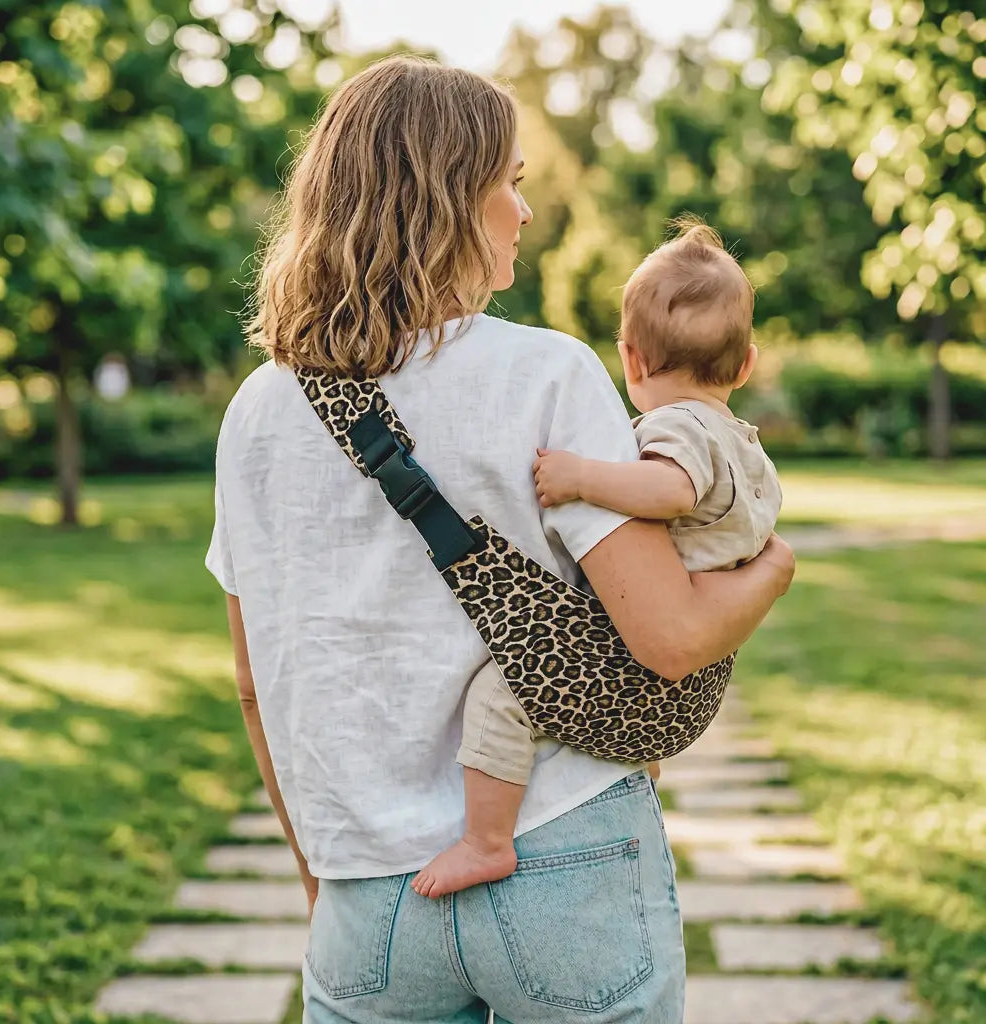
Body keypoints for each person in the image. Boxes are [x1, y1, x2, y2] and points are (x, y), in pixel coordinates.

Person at [206, 55, 794, 1024]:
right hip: (564, 849)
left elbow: (255, 688)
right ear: (447, 197)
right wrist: (773, 570)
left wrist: (324, 876)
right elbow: (670, 639)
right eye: (509, 184)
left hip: (367, 888)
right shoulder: (548, 373)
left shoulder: (257, 412)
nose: (524, 212)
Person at [412, 219, 783, 900]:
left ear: (631, 360)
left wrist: (583, 477)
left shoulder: (677, 427)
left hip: (637, 641)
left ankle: (485, 841)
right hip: (699, 662)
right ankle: (634, 759)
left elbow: (670, 490)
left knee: (503, 691)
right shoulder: (740, 438)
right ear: (747, 364)